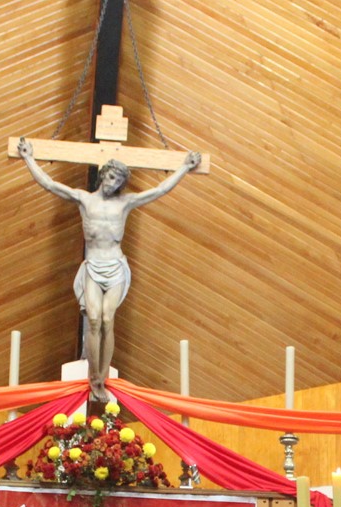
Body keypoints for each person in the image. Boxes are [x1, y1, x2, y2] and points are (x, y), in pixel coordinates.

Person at [15, 138, 203, 404]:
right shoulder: (84, 199)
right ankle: (94, 378)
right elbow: (50, 185)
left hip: (115, 267)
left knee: (107, 318)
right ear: (104, 175)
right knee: (93, 319)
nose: (113, 183)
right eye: (111, 177)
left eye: (118, 181)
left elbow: (159, 190)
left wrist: (184, 167)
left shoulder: (124, 203)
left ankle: (103, 377)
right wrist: (29, 158)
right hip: (93, 266)